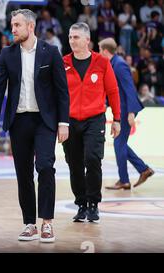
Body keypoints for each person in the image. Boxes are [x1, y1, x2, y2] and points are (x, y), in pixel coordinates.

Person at [0, 9, 69, 243]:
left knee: (45, 166)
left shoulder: (51, 52)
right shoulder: (7, 53)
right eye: (12, 25)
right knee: (23, 174)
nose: (12, 29)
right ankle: (29, 224)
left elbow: (62, 91)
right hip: (18, 121)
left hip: (45, 121)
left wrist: (63, 122)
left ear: (30, 27)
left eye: (17, 25)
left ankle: (47, 223)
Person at [62, 23, 121, 223]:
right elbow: (56, 95)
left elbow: (113, 92)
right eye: (70, 37)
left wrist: (117, 119)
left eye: (76, 37)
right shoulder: (63, 63)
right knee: (74, 165)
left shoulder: (102, 63)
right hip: (70, 121)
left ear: (88, 40)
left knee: (93, 160)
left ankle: (93, 203)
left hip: (94, 120)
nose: (72, 41)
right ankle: (81, 204)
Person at [99, 38, 155, 190]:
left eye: (99, 50)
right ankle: (143, 169)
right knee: (121, 144)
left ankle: (124, 180)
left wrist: (131, 112)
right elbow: (113, 89)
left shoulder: (120, 64)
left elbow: (129, 88)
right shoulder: (113, 64)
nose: (98, 53)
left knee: (119, 144)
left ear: (105, 51)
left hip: (126, 110)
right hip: (122, 109)